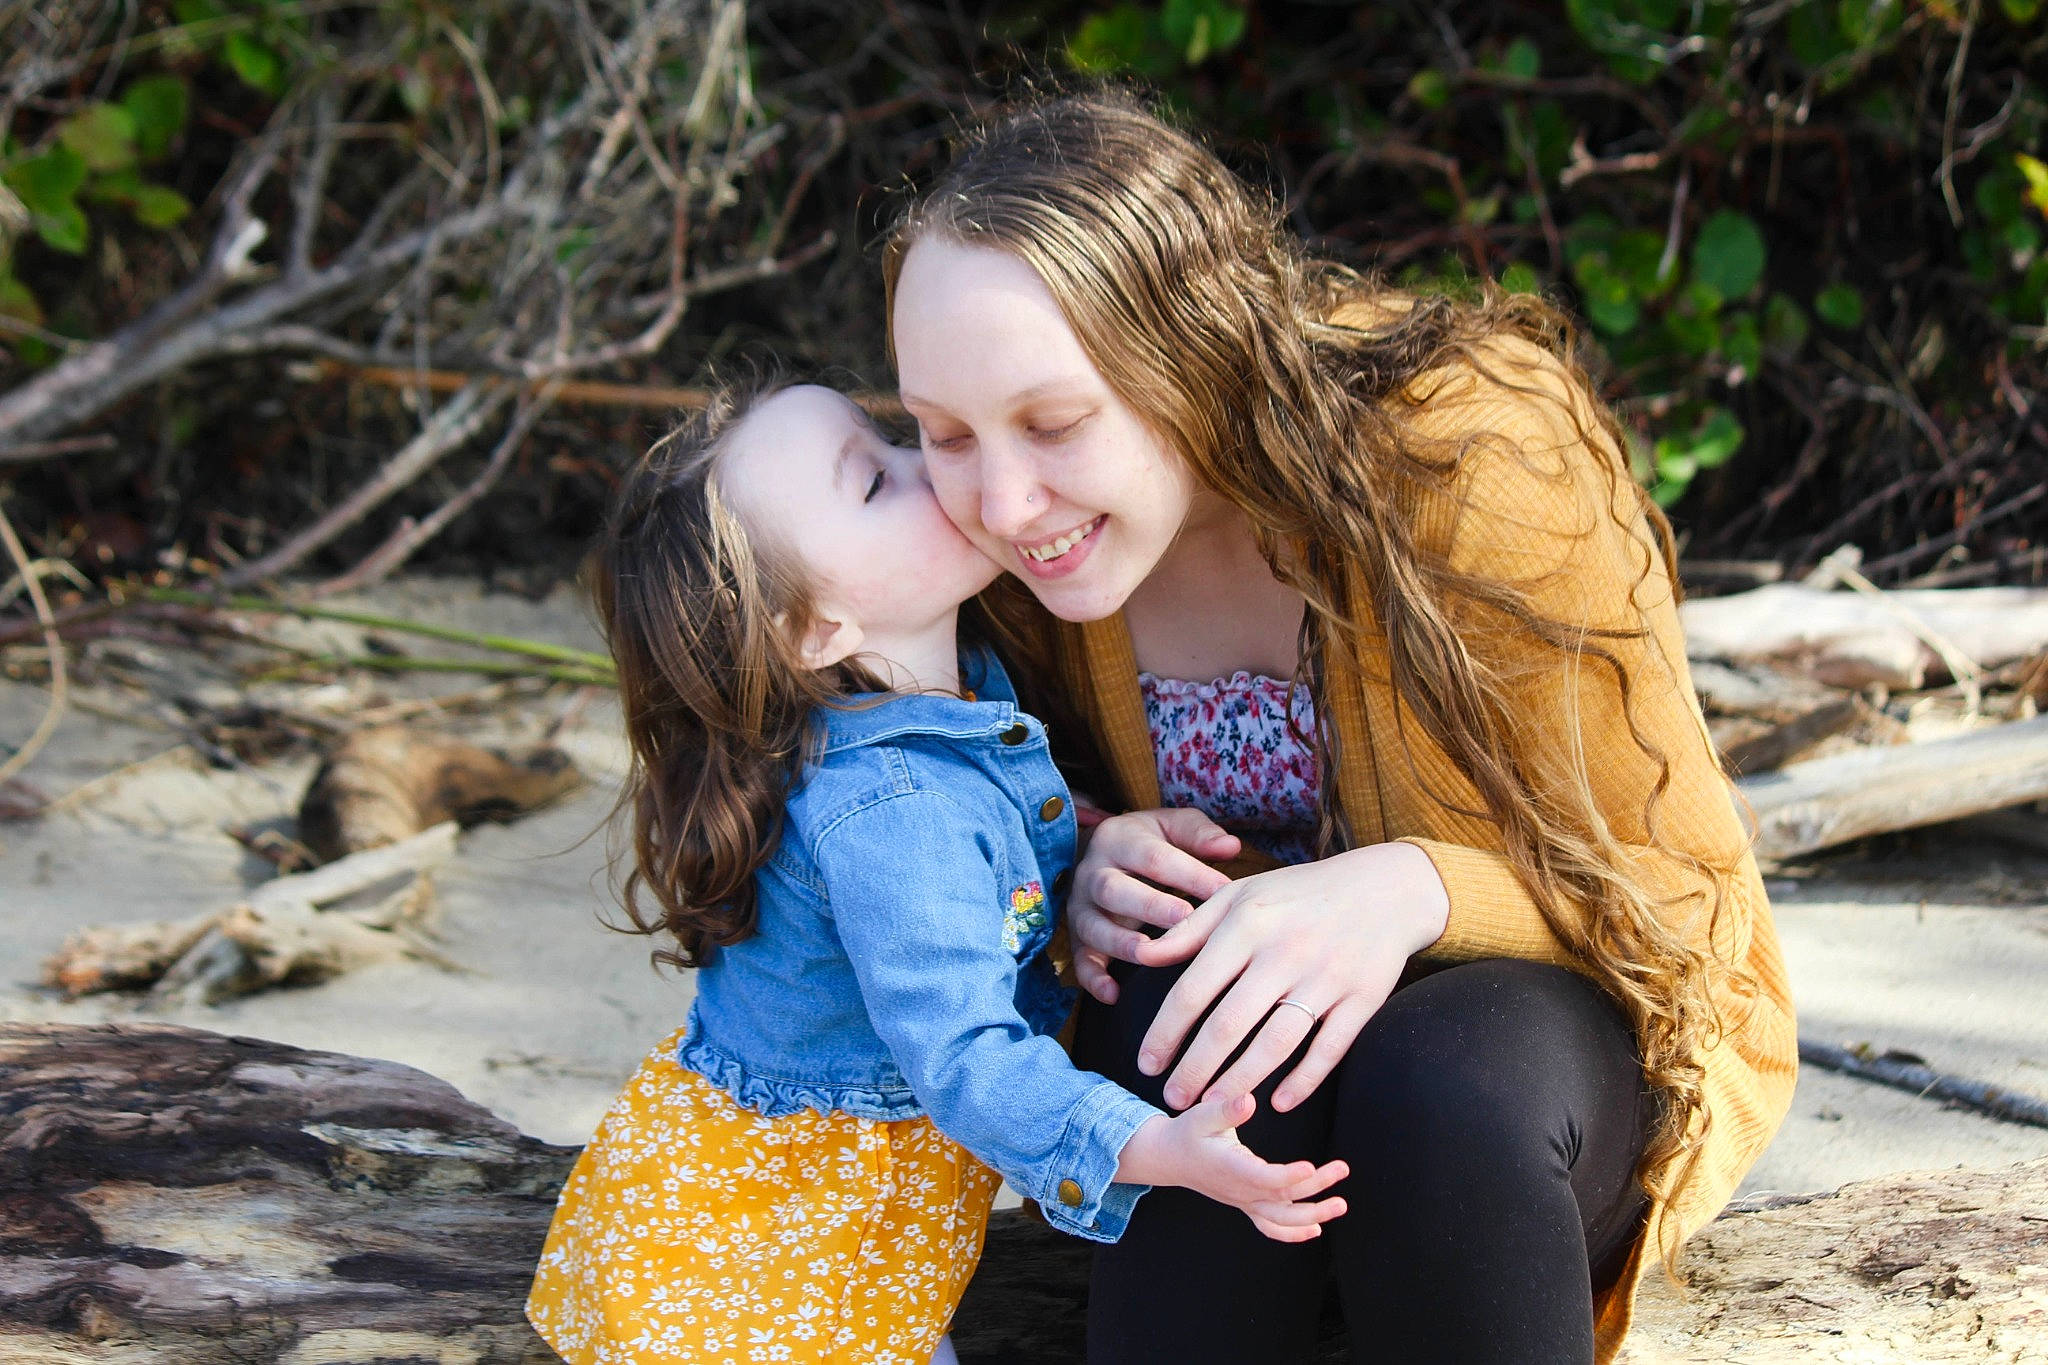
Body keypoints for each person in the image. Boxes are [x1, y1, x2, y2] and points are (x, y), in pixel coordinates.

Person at [883, 93, 1798, 1364]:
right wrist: (1074, 859)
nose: (999, 497)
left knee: (1439, 1086)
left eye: (1054, 423)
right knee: (1169, 993)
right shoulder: (1005, 554)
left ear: (1188, 350)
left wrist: (1414, 890)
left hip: (1518, 1077)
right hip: (1242, 1122)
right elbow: (902, 842)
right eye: (939, 435)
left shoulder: (1474, 453)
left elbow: (1682, 909)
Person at [523, 379, 1350, 1365]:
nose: (933, 468)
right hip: (768, 1268)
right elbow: (964, 1063)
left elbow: (980, 859)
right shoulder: (893, 813)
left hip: (806, 1232)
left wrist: (1083, 844)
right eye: (875, 481)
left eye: (891, 439)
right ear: (814, 632)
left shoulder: (938, 709)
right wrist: (1159, 1150)